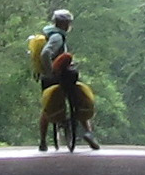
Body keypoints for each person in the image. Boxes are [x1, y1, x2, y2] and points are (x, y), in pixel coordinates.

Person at [37, 8, 100, 151]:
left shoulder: (50, 33)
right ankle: (88, 132)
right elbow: (45, 53)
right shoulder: (57, 37)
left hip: (47, 78)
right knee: (77, 99)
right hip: (57, 77)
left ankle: (42, 141)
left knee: (47, 107)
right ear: (65, 23)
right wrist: (51, 71)